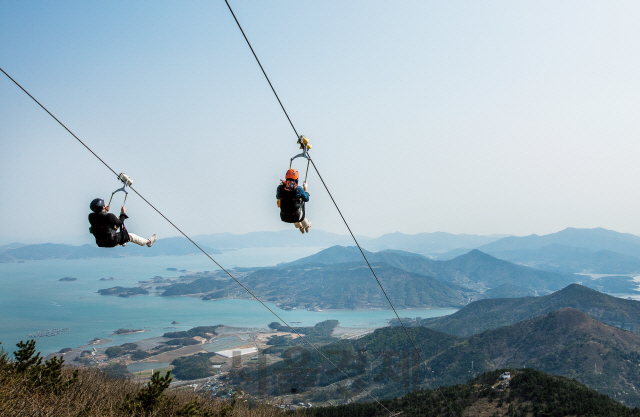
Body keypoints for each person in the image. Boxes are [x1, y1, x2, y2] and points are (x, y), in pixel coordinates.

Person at [88, 198, 157, 248]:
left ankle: (122, 241)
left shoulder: (91, 217)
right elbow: (120, 222)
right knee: (131, 236)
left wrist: (105, 210)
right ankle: (149, 242)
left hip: (100, 242)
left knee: (110, 227)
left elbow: (101, 219)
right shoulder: (110, 216)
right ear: (103, 206)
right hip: (112, 241)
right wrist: (123, 213)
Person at [277, 169, 311, 233]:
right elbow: (306, 199)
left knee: (290, 206)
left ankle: (300, 226)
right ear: (296, 179)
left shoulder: (280, 188)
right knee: (298, 206)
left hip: (284, 216)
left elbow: (278, 196)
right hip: (296, 216)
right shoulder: (298, 189)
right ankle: (307, 225)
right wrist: (305, 189)